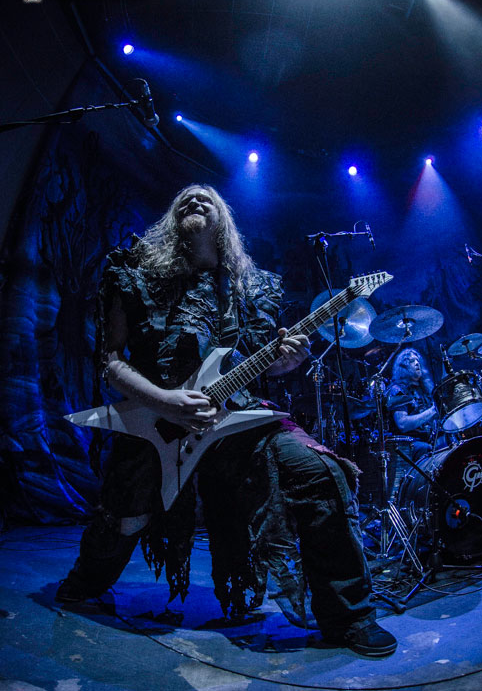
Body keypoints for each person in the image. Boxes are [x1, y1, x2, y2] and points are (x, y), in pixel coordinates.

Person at [56, 184, 397, 657]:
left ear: (225, 221)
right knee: (127, 518)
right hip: (156, 420)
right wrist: (164, 400)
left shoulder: (252, 287)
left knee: (320, 472)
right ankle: (85, 581)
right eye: (185, 198)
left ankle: (350, 617)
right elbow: (109, 360)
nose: (196, 200)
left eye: (207, 198)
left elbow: (260, 365)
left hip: (237, 417)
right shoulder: (133, 273)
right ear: (171, 219)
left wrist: (284, 362)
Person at [388, 348, 440, 461]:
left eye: (417, 360)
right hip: (409, 445)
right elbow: (402, 424)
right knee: (426, 448)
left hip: (430, 441)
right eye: (411, 361)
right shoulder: (398, 390)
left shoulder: (425, 389)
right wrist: (432, 411)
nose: (417, 363)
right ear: (403, 367)